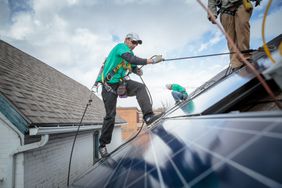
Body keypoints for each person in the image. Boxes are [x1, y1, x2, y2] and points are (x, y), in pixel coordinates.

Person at [96, 33, 163, 157]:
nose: (135, 45)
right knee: (110, 115)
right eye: (134, 42)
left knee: (140, 87)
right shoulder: (120, 47)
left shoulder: (129, 54)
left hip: (121, 84)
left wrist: (137, 71)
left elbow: (133, 65)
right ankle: (102, 145)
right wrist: (151, 61)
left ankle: (148, 116)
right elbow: (131, 59)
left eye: (137, 43)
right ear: (127, 40)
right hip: (108, 87)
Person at [207, 0, 256, 71]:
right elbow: (211, 2)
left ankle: (246, 57)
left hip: (241, 4)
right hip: (225, 11)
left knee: (242, 26)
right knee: (231, 39)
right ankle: (236, 64)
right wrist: (212, 14)